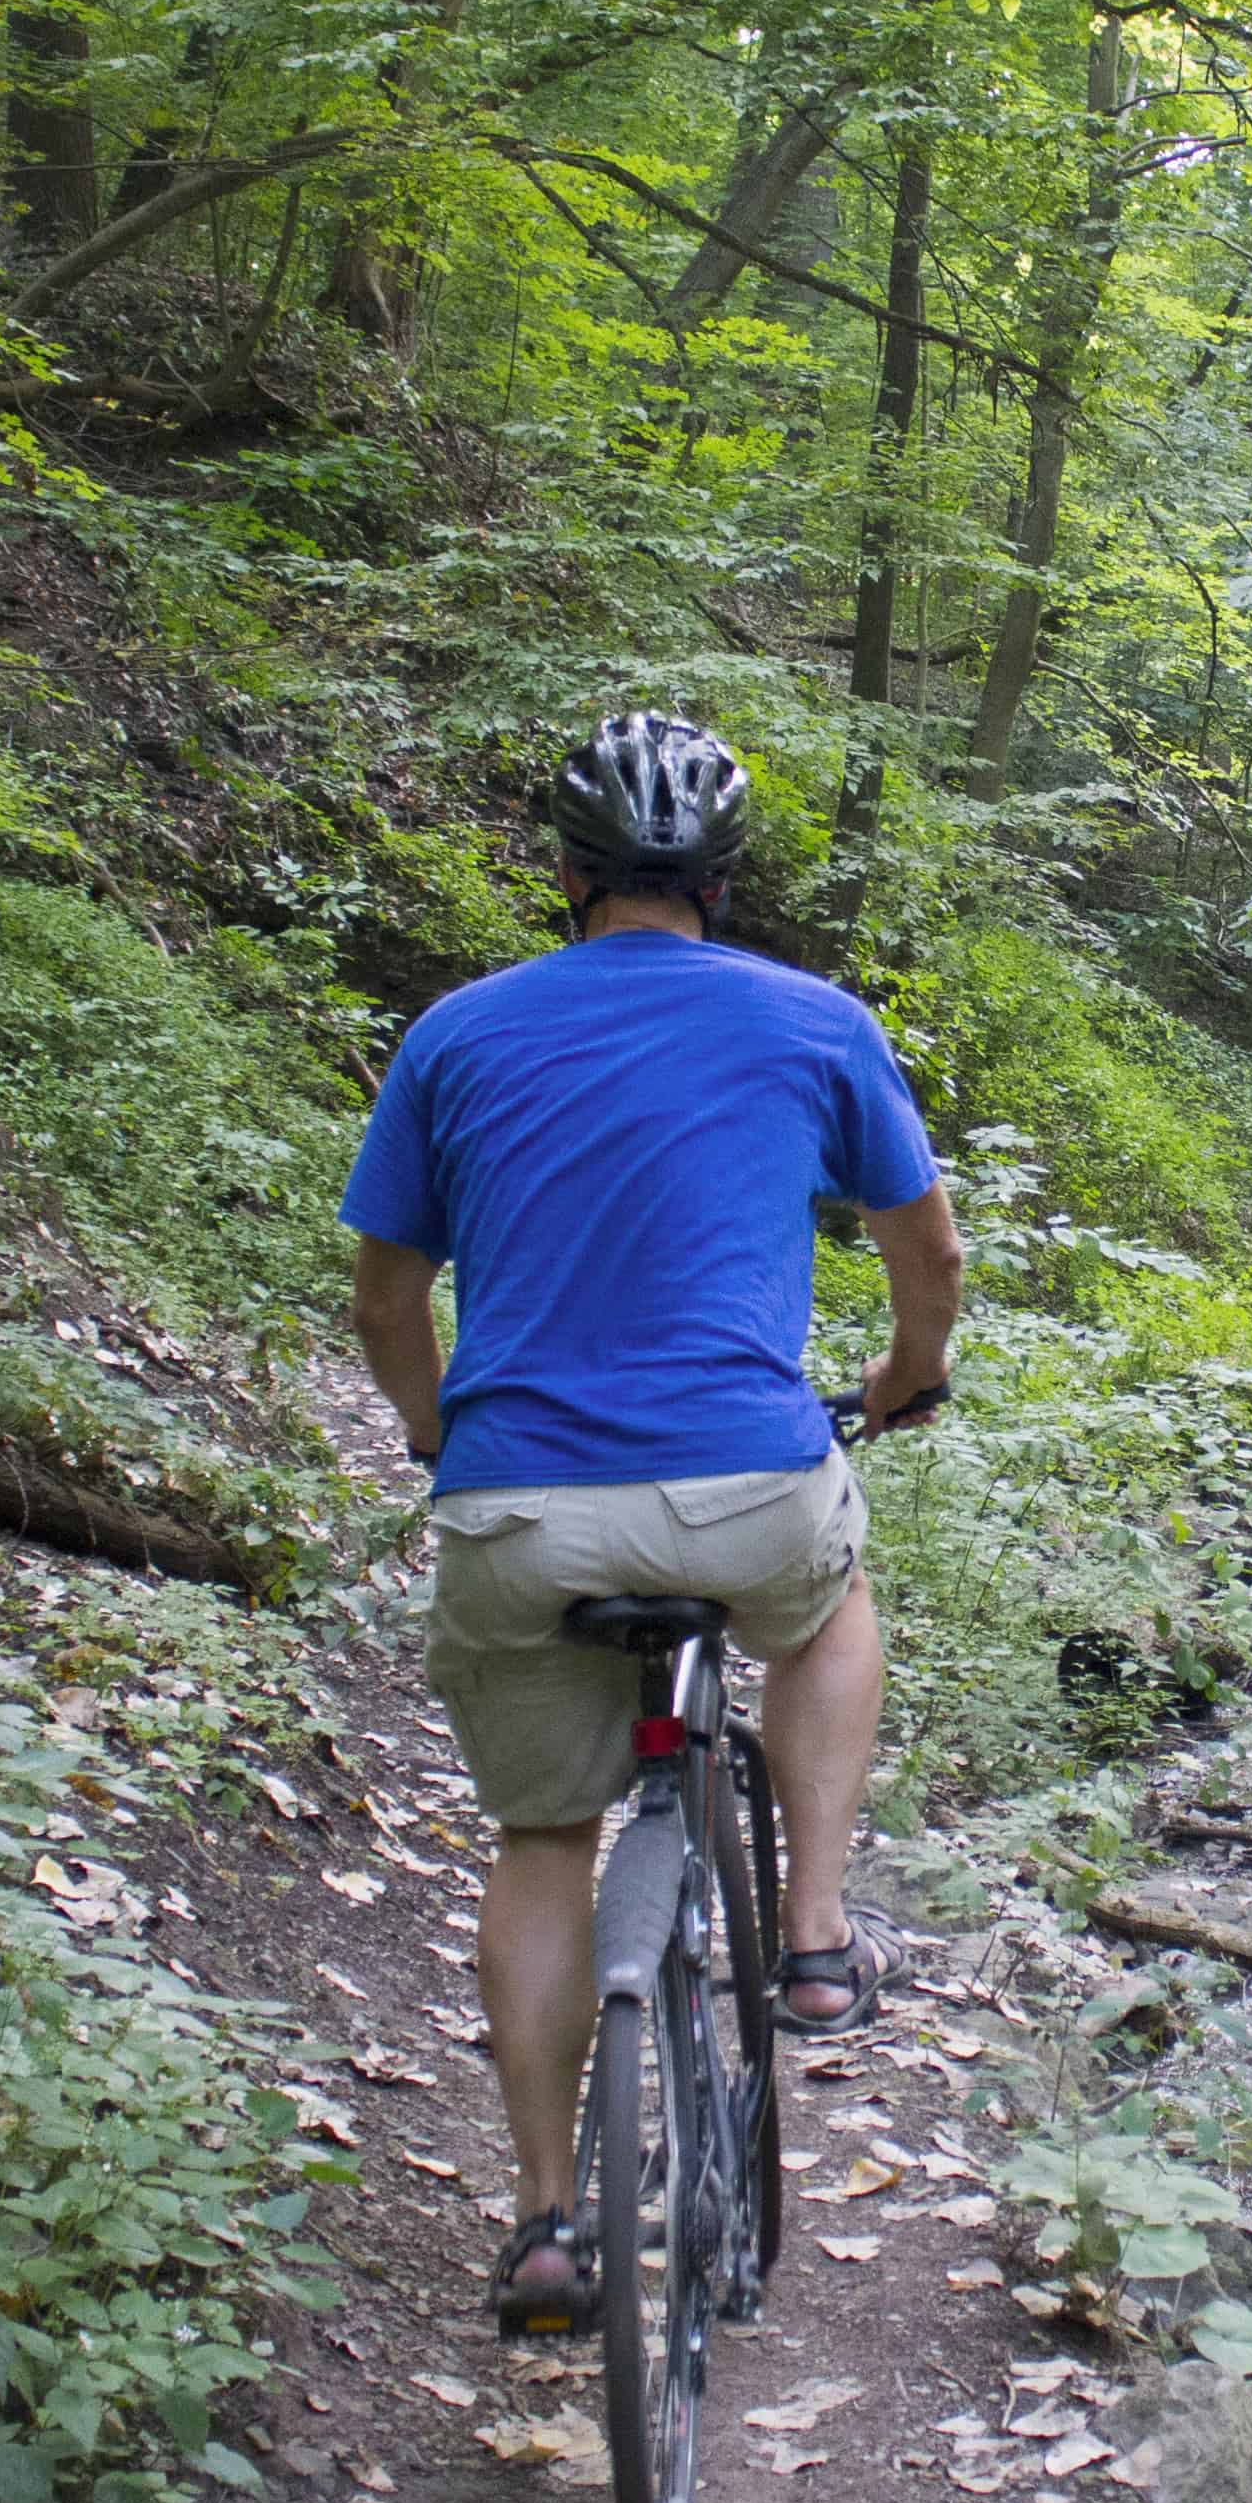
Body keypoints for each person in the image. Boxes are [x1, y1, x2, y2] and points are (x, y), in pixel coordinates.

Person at [338, 711, 964, 2338]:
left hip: (517, 1501)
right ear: (722, 882)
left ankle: (546, 2219)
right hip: (747, 1485)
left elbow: (386, 1293)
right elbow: (929, 1263)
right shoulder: (814, 1022)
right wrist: (904, 1381)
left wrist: (431, 1432)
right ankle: (817, 1937)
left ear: (561, 873)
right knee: (825, 1614)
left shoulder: (456, 1034)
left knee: (544, 1839)